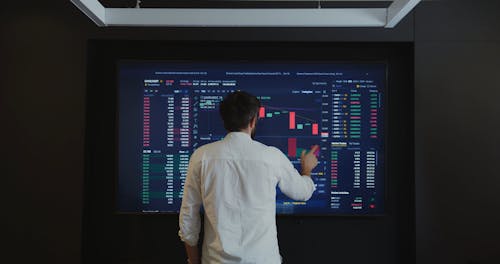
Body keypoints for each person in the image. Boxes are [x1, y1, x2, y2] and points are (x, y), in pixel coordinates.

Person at [178, 91, 319, 264]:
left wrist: (193, 260)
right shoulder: (271, 156)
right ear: (253, 121)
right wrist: (307, 170)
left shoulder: (201, 156)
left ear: (225, 121)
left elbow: (188, 216)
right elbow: (302, 193)